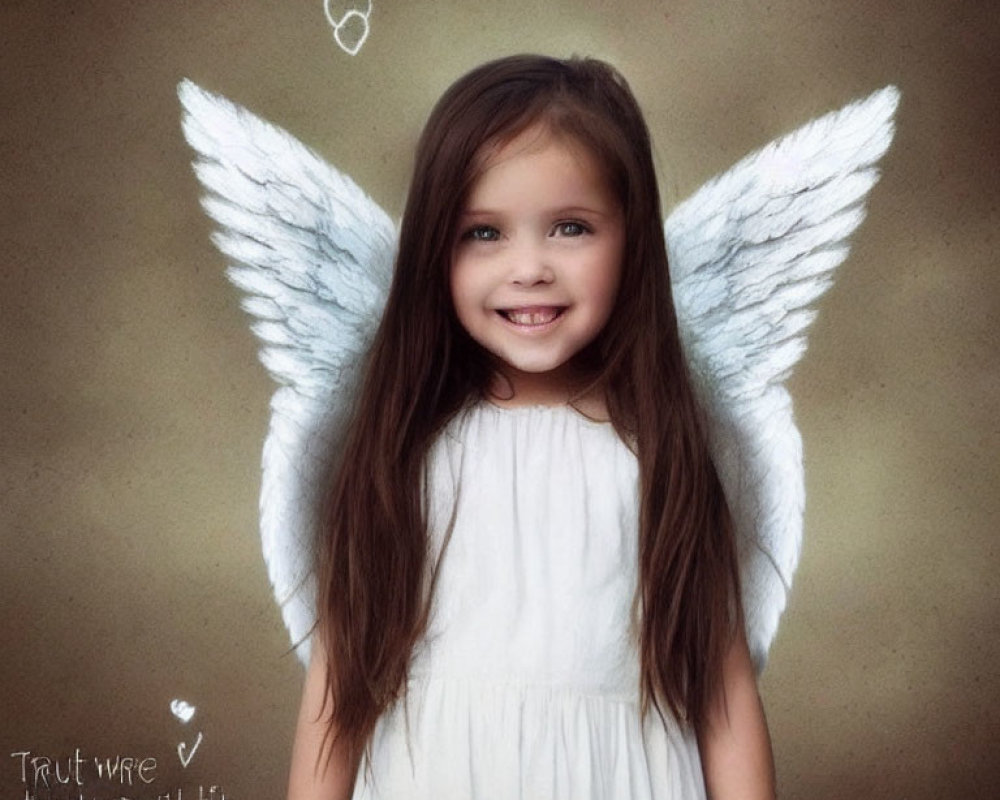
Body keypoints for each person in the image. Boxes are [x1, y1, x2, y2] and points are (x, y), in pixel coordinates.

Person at [286, 54, 776, 799]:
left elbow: (722, 689)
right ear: (433, 253)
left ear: (633, 241)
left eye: (571, 228)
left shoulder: (657, 453)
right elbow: (340, 679)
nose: (529, 268)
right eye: (484, 234)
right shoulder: (406, 452)